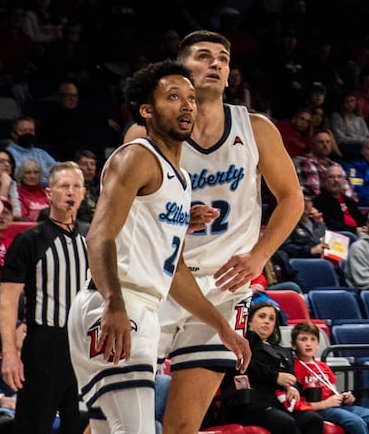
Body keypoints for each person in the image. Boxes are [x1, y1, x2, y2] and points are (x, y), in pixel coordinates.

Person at [130, 31, 304, 434]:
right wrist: (171, 215)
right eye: (204, 56)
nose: (216, 64)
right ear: (180, 71)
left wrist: (260, 256)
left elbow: (291, 197)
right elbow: (122, 216)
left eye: (223, 59)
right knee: (114, 417)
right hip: (158, 280)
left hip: (225, 289)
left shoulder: (255, 128)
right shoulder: (147, 133)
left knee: (182, 425)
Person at [68, 60, 250, 433]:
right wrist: (113, 303)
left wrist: (223, 328)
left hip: (140, 305)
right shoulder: (137, 155)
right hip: (119, 304)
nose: (187, 105)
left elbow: (176, 273)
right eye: (173, 97)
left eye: (190, 98)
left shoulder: (180, 178)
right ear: (147, 110)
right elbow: (99, 235)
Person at [0, 162, 88, 431]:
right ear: (49, 194)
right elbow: (7, 301)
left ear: (84, 193)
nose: (70, 192)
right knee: (33, 426)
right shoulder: (29, 240)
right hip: (44, 345)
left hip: (82, 346)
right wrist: (10, 353)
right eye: (63, 186)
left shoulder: (93, 238)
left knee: (81, 425)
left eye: (75, 186)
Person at [219, 301, 319, 434]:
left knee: (313, 419)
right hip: (250, 402)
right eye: (262, 316)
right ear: (249, 321)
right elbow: (246, 365)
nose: (267, 321)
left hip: (278, 403)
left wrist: (292, 387)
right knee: (286, 423)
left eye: (271, 319)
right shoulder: (241, 343)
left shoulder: (284, 351)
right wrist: (276, 377)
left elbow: (292, 377)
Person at [289, 321, 369, 434]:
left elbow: (333, 392)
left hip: (335, 407)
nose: (308, 343)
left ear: (318, 344)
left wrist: (345, 397)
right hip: (316, 409)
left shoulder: (322, 366)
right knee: (356, 422)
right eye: (303, 339)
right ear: (294, 345)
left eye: (313, 339)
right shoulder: (293, 368)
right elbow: (296, 404)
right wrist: (326, 403)